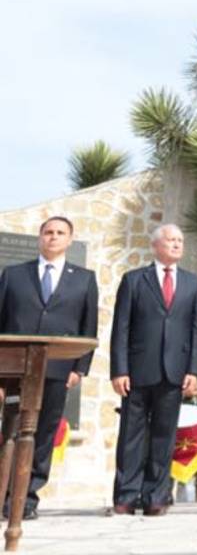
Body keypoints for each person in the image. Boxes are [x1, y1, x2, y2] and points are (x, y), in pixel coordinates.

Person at [0, 216, 98, 521]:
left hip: (57, 369)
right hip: (16, 370)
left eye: (60, 233)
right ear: (39, 237)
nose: (53, 237)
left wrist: (79, 368)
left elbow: (88, 326)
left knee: (43, 437)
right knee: (10, 432)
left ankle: (26, 498)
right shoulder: (14, 275)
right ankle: (3, 492)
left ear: (69, 239)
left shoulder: (84, 278)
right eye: (48, 232)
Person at [110, 224, 197, 515]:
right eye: (170, 240)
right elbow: (121, 328)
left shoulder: (191, 283)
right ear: (155, 246)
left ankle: (156, 496)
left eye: (179, 240)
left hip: (175, 371)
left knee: (165, 436)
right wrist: (119, 370)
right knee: (131, 435)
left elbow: (196, 331)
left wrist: (193, 370)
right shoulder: (134, 280)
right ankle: (126, 495)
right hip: (137, 371)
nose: (176, 245)